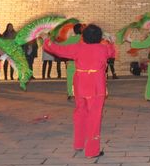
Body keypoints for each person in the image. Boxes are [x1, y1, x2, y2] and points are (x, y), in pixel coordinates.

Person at [42, 24, 116, 158]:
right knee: (94, 117)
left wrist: (46, 40)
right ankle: (92, 151)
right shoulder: (103, 48)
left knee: (80, 113)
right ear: (99, 36)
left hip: (80, 84)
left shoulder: (78, 47)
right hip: (96, 86)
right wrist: (110, 40)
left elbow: (57, 49)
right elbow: (112, 52)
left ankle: (79, 143)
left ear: (84, 36)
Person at [63, 24, 83, 100]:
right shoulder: (82, 39)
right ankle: (80, 93)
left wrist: (66, 59)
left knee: (70, 78)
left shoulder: (69, 39)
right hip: (80, 62)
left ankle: (70, 93)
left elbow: (64, 49)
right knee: (81, 78)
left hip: (70, 62)